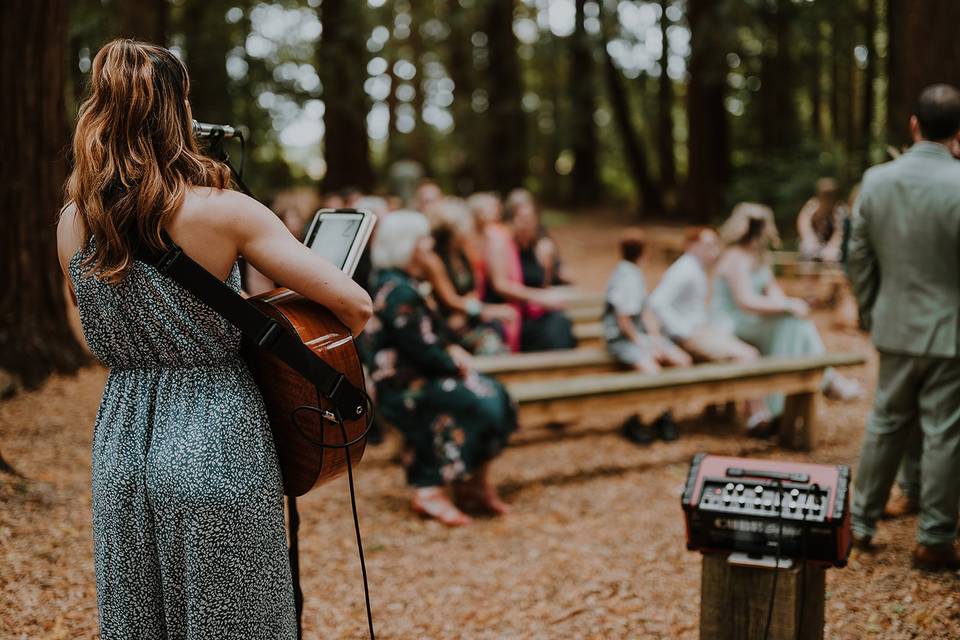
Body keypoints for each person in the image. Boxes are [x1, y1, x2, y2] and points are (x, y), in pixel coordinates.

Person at [55, 40, 372, 638]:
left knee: (141, 621)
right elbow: (353, 304)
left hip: (122, 440)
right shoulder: (225, 210)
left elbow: (85, 329)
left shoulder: (75, 220)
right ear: (177, 110)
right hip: (216, 428)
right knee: (234, 621)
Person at [847, 84, 960, 570]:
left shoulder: (874, 181)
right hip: (951, 331)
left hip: (893, 325)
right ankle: (934, 539)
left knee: (884, 423)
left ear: (913, 125)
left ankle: (858, 524)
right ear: (958, 132)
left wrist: (872, 309)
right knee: (944, 431)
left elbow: (857, 256)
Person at [366, 211, 517, 527]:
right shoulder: (398, 291)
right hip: (401, 386)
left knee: (499, 396)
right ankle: (429, 490)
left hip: (421, 374)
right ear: (407, 246)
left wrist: (451, 350)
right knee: (482, 401)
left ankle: (473, 482)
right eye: (423, 240)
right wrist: (453, 364)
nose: (430, 245)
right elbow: (420, 349)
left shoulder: (402, 283)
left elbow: (430, 335)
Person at [711, 203, 862, 430]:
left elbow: (774, 294)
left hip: (753, 321)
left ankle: (786, 400)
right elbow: (746, 302)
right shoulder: (735, 258)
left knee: (795, 322)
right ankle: (827, 380)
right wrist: (787, 306)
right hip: (732, 323)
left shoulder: (758, 258)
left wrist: (792, 305)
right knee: (791, 322)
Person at [648, 227, 770, 431]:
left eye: (715, 244)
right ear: (690, 246)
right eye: (707, 245)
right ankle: (756, 417)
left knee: (749, 352)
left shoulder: (695, 268)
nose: (712, 249)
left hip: (700, 331)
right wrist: (683, 331)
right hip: (690, 336)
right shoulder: (685, 269)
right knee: (747, 356)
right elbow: (657, 302)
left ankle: (756, 413)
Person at [603, 229, 692, 443]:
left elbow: (646, 312)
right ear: (644, 252)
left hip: (641, 336)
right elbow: (623, 320)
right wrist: (645, 346)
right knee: (651, 371)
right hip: (623, 339)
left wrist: (655, 339)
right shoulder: (624, 276)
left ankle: (666, 415)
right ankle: (636, 419)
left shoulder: (635, 273)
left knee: (683, 361)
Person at [476, 193, 574, 352]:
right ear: (511, 219)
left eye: (530, 218)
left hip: (531, 313)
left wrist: (547, 266)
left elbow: (544, 285)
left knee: (560, 322)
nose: (526, 223)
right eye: (521, 218)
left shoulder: (540, 247)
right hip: (507, 314)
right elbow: (500, 285)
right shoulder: (500, 243)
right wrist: (540, 297)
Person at [423, 198, 515, 355]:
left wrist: (470, 310)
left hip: (467, 316)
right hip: (447, 322)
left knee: (498, 332)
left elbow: (473, 289)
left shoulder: (463, 252)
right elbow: (450, 300)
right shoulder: (435, 259)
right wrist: (487, 310)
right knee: (492, 347)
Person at [796, 178, 849, 262]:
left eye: (830, 195)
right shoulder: (811, 206)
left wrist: (831, 247)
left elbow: (840, 232)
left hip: (833, 247)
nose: (827, 198)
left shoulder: (840, 209)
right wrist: (812, 242)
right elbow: (803, 225)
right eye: (824, 195)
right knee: (808, 248)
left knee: (832, 254)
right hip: (814, 244)